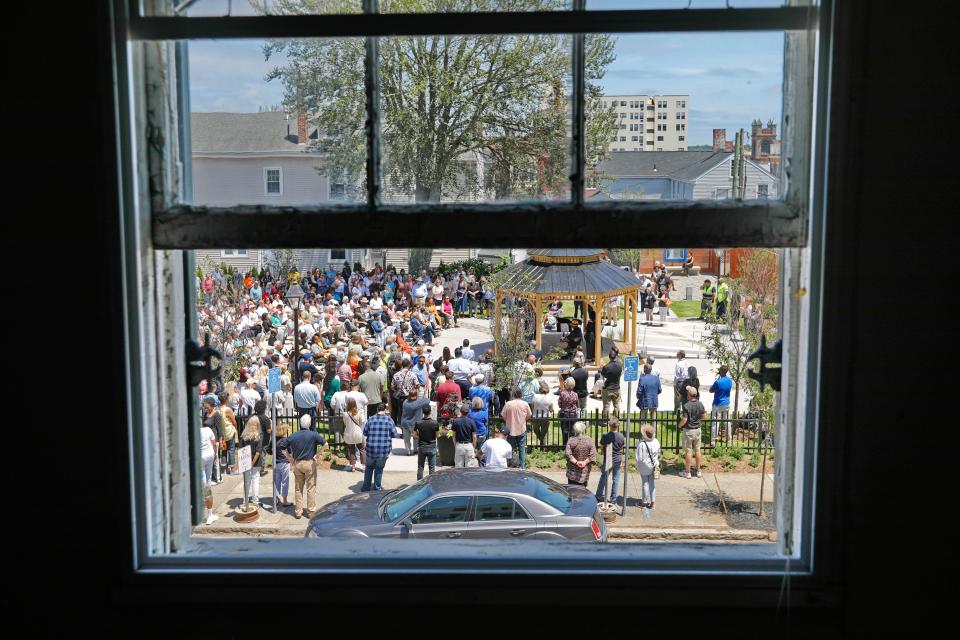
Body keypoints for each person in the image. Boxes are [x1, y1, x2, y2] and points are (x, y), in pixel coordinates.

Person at [280, 415, 328, 518]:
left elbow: (282, 446)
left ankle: (298, 511)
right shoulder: (313, 434)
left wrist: (290, 458)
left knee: (298, 489)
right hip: (309, 463)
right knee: (310, 488)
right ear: (309, 424)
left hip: (298, 464)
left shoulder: (293, 435)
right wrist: (318, 454)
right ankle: (311, 512)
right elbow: (326, 444)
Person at [361, 404, 401, 491]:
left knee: (369, 467)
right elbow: (395, 434)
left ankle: (366, 487)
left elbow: (365, 433)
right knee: (379, 468)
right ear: (385, 409)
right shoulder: (389, 420)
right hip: (383, 450)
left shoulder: (370, 419)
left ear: (377, 409)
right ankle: (377, 487)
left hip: (371, 449)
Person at [595, 417, 625, 506]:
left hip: (608, 459)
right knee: (615, 479)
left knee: (603, 477)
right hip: (617, 459)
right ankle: (613, 499)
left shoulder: (605, 436)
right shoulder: (621, 436)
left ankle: (599, 495)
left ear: (609, 425)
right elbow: (621, 447)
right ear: (618, 425)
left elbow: (602, 447)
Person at [678, 386, 706, 479]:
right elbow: (704, 416)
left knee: (688, 451)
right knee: (698, 450)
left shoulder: (686, 405)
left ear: (689, 395)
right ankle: (698, 471)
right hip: (697, 430)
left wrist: (679, 425)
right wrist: (697, 419)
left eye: (687, 393)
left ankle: (688, 472)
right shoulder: (700, 404)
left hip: (688, 430)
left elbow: (685, 419)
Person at [501, 388, 532, 469]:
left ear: (513, 394)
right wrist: (523, 420)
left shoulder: (508, 404)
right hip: (521, 429)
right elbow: (529, 415)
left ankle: (510, 465)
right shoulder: (525, 404)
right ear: (521, 395)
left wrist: (508, 421)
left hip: (510, 429)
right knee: (522, 449)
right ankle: (522, 466)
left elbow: (503, 415)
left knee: (510, 449)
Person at [239, 415, 264, 508]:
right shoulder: (259, 436)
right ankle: (255, 501)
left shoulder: (243, 436)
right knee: (255, 480)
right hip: (255, 462)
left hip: (245, 461)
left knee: (246, 481)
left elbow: (240, 450)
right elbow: (258, 452)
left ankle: (245, 500)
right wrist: (252, 463)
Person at [635, 423, 661, 509]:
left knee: (645, 483)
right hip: (654, 465)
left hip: (644, 467)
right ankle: (653, 501)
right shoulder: (656, 441)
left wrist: (637, 466)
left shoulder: (642, 444)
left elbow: (639, 458)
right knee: (652, 484)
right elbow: (658, 453)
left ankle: (644, 501)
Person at [400, 387, 431, 456]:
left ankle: (408, 451)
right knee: (416, 438)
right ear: (416, 395)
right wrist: (422, 397)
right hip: (415, 424)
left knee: (406, 439)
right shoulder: (419, 402)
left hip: (405, 423)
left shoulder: (405, 402)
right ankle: (415, 450)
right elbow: (428, 400)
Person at [564, 422, 597, 487]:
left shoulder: (571, 440)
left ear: (574, 429)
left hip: (572, 471)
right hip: (584, 470)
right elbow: (593, 454)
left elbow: (568, 454)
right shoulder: (589, 440)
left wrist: (576, 462)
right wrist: (584, 462)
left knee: (572, 489)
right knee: (583, 490)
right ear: (584, 429)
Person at [199, 419, 218, 524]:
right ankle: (210, 515)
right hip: (209, 455)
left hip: (201, 458)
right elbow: (214, 444)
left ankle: (207, 514)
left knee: (204, 485)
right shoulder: (208, 429)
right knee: (207, 484)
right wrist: (214, 455)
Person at [412, 405, 439, 480]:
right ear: (430, 412)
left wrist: (419, 436)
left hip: (422, 447)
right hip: (432, 446)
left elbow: (413, 434)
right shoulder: (435, 423)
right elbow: (438, 435)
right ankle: (431, 483)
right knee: (432, 468)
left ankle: (419, 484)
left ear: (422, 412)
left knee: (420, 467)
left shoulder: (418, 423)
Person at [202, 397, 224, 484]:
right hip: (207, 439)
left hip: (215, 439)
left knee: (215, 458)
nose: (206, 408)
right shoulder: (205, 414)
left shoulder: (217, 414)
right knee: (210, 459)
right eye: (205, 407)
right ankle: (211, 477)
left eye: (207, 407)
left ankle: (218, 478)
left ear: (211, 405)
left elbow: (220, 429)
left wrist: (221, 441)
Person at [709, 365, 734, 443]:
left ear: (721, 371)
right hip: (726, 403)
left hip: (717, 403)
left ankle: (713, 441)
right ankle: (729, 439)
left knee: (715, 423)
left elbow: (711, 390)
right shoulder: (730, 381)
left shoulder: (718, 382)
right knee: (727, 422)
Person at [342, 397, 366, 472]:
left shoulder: (345, 414)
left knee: (351, 450)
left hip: (349, 433)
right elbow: (361, 422)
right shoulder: (358, 413)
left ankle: (353, 467)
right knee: (362, 449)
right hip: (357, 433)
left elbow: (345, 423)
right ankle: (363, 466)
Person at [451, 403, 478, 467]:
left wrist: (455, 444)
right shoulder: (471, 422)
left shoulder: (456, 421)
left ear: (460, 411)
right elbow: (474, 436)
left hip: (459, 445)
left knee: (458, 467)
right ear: (468, 412)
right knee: (469, 468)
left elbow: (453, 435)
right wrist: (473, 447)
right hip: (469, 445)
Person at [273, 422, 291, 508]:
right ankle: (285, 500)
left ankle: (276, 499)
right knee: (285, 482)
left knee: (277, 482)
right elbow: (290, 451)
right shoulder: (285, 440)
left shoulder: (273, 440)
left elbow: (269, 450)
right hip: (284, 462)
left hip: (276, 463)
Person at [600, 348, 623, 417]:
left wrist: (604, 367)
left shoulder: (606, 367)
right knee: (617, 405)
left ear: (609, 357)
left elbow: (603, 375)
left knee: (606, 406)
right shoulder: (619, 366)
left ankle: (605, 421)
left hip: (608, 388)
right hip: (616, 387)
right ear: (615, 356)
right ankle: (617, 419)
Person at [531, 381, 554, 446]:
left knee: (536, 430)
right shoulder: (549, 398)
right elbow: (551, 410)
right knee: (544, 432)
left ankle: (541, 443)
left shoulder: (535, 396)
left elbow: (532, 407)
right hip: (546, 417)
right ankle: (542, 443)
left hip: (536, 417)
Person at [558, 377, 579, 448]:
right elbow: (577, 404)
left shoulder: (562, 393)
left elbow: (559, 404)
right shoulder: (575, 394)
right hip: (573, 414)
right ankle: (572, 445)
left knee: (565, 430)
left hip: (564, 413)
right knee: (572, 431)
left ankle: (565, 445)